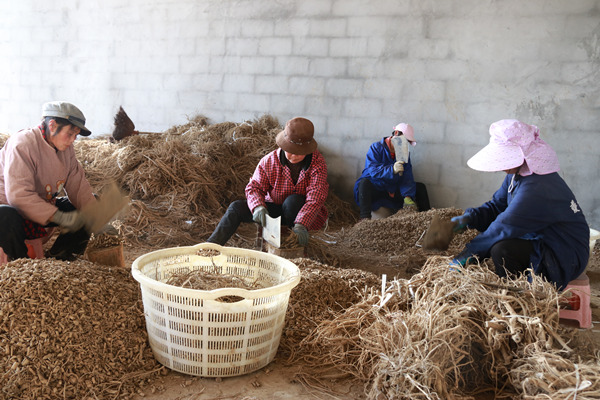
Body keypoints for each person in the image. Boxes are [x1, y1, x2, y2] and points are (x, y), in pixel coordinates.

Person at [451, 119, 590, 290]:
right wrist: (469, 218)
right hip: (541, 239)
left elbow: (504, 226)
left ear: (523, 154)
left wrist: (468, 254)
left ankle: (521, 298)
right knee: (500, 244)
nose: (500, 166)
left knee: (502, 250)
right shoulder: (518, 174)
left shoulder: (538, 187)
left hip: (563, 252)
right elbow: (497, 206)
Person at [206, 117, 329, 247]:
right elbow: (254, 188)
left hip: (300, 212)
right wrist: (258, 206)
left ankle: (294, 242)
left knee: (292, 201)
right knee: (236, 207)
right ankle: (210, 246)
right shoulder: (270, 161)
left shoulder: (317, 164)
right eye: (290, 151)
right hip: (274, 211)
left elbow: (315, 198)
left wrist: (301, 223)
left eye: (299, 152)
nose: (294, 156)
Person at [0, 101, 98, 261]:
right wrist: (59, 217)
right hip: (10, 209)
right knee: (4, 215)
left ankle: (62, 258)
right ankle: (21, 265)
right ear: (52, 126)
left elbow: (78, 186)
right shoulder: (23, 144)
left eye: (76, 135)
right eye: (70, 133)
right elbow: (18, 197)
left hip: (42, 206)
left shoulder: (66, 150)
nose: (73, 139)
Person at [354, 122, 417, 220]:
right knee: (363, 183)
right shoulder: (376, 148)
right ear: (396, 133)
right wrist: (392, 169)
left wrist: (408, 196)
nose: (404, 144)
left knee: (420, 188)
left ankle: (425, 220)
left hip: (390, 190)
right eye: (404, 140)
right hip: (375, 188)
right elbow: (373, 171)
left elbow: (407, 177)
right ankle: (364, 220)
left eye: (407, 142)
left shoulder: (404, 154)